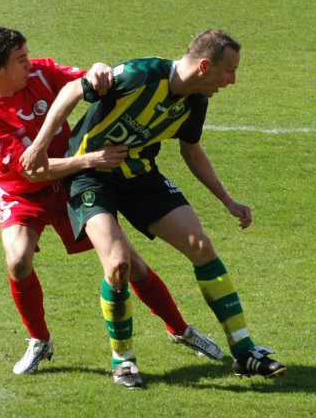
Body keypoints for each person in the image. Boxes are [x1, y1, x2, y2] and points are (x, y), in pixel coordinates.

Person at [20, 29, 287, 387]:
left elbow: (191, 151)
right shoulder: (140, 75)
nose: (232, 80)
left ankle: (244, 351)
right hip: (91, 177)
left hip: (142, 178)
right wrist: (39, 147)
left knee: (201, 247)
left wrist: (227, 199)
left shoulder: (196, 102)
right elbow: (71, 90)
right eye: (229, 71)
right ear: (205, 65)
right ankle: (124, 361)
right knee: (117, 265)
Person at [0, 26, 223, 379]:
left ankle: (180, 329)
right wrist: (91, 160)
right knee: (17, 261)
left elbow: (87, 79)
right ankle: (39, 339)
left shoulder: (40, 73)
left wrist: (101, 68)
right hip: (26, 189)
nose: (30, 62)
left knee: (128, 264)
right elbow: (31, 172)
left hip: (71, 182)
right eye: (20, 59)